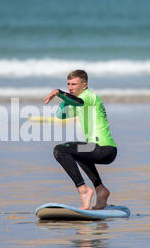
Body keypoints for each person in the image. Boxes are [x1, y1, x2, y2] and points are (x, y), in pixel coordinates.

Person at [44, 70, 117, 210]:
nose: (70, 87)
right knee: (74, 151)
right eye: (68, 84)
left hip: (103, 149)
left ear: (84, 85)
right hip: (99, 149)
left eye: (74, 84)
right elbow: (61, 115)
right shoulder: (80, 104)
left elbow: (78, 101)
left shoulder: (89, 96)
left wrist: (60, 93)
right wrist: (65, 98)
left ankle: (83, 190)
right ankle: (101, 190)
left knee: (60, 150)